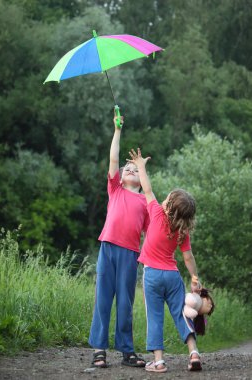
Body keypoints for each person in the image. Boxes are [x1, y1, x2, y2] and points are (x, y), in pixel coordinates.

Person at [127, 147, 209, 373]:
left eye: (167, 198)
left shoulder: (155, 212)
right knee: (181, 314)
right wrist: (194, 278)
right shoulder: (183, 231)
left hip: (152, 275)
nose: (163, 199)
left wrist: (141, 166)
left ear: (168, 206)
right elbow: (188, 256)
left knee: (154, 317)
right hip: (173, 277)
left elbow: (147, 188)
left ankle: (159, 361)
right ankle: (193, 352)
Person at [88, 112, 149, 368]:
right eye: (129, 168)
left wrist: (147, 260)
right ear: (121, 177)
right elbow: (114, 158)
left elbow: (149, 234)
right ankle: (99, 350)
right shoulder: (115, 189)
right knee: (103, 299)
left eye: (137, 170)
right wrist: (117, 131)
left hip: (129, 254)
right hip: (108, 248)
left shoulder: (146, 200)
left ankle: (127, 351)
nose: (132, 170)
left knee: (125, 302)